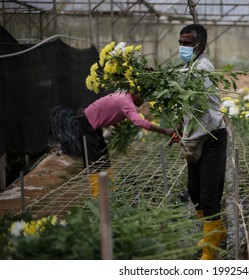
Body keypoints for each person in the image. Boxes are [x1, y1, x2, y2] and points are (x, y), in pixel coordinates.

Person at [177, 24, 227, 260]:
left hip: (211, 137)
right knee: (194, 191)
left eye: (187, 43)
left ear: (201, 45)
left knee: (208, 197)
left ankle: (210, 250)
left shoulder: (202, 68)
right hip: (194, 136)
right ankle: (216, 232)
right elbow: (185, 102)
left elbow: (195, 97)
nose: (182, 47)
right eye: (181, 42)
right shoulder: (189, 66)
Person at [77, 91, 174, 195]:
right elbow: (139, 121)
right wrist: (165, 131)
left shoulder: (123, 96)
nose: (143, 101)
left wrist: (119, 128)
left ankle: (110, 192)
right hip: (86, 124)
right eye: (143, 97)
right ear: (136, 93)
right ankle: (99, 198)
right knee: (94, 163)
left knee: (104, 159)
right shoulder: (126, 102)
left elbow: (109, 112)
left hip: (93, 125)